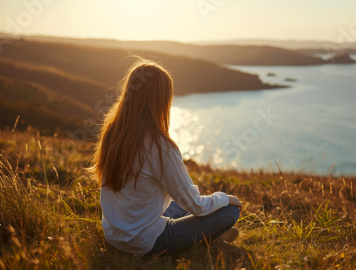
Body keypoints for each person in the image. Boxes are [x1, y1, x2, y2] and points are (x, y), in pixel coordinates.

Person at [90, 59, 242, 257]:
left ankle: (208, 235)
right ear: (161, 100)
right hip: (147, 243)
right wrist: (225, 198)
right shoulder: (161, 147)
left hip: (114, 235)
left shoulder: (114, 133)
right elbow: (195, 204)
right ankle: (210, 237)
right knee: (229, 211)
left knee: (179, 204)